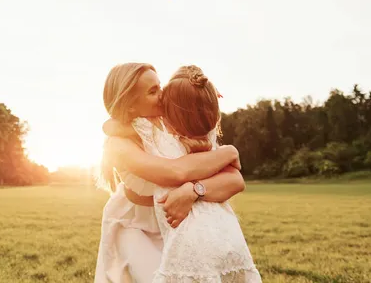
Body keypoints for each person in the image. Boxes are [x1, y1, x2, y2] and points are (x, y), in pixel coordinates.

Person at [105, 65, 262, 282]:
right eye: (153, 92)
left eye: (160, 86)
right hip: (136, 224)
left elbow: (235, 180)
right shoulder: (119, 144)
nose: (162, 95)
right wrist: (228, 153)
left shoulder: (174, 122)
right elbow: (176, 171)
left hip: (176, 222)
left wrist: (194, 190)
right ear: (129, 105)